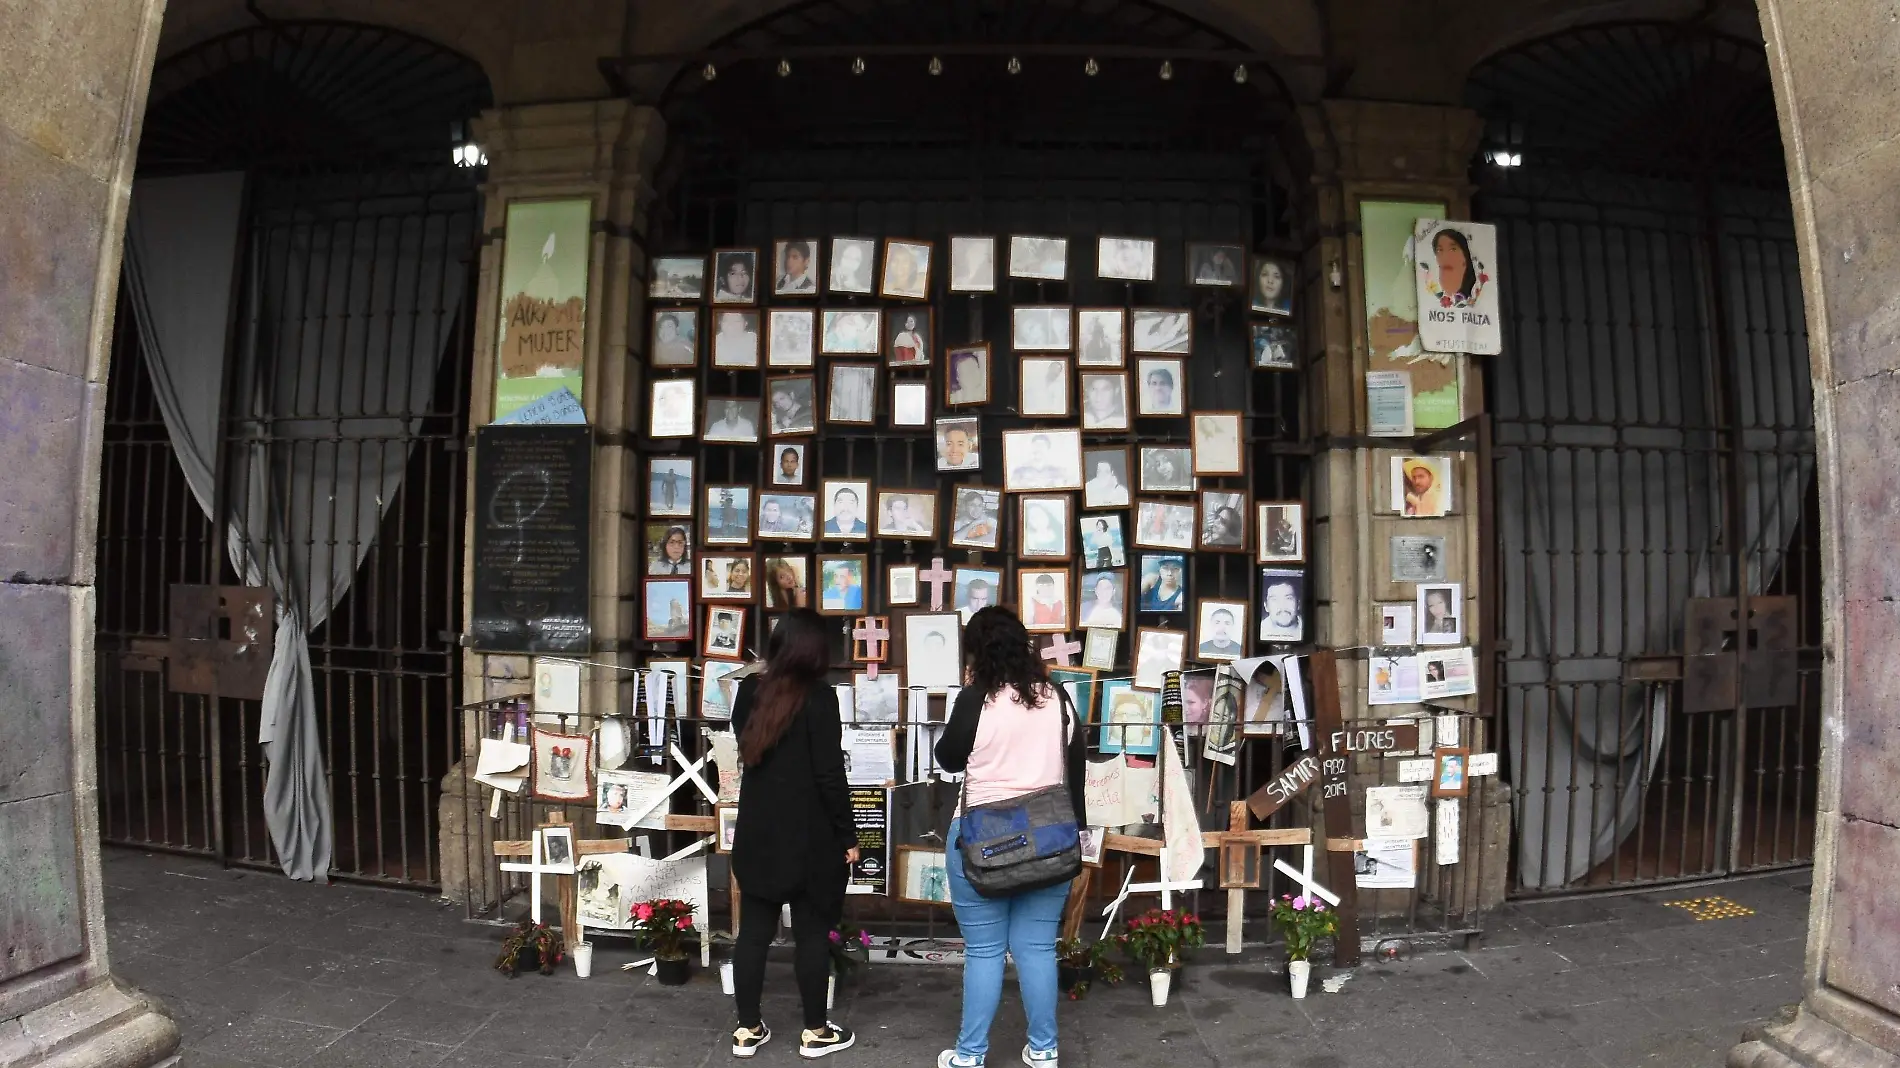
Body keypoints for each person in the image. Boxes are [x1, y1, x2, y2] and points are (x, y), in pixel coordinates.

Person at [933, 607, 1087, 1068]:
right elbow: (1073, 776)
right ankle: (1043, 1050)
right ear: (1025, 646)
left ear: (976, 653)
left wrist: (967, 689)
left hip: (982, 841)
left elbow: (948, 758)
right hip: (1049, 838)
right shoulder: (1058, 698)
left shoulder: (975, 698)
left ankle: (970, 1055)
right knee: (1036, 947)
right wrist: (1075, 835)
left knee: (984, 951)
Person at [728, 610, 858, 1058]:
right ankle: (815, 1031)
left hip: (757, 834)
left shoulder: (748, 692)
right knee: (810, 933)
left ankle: (747, 1030)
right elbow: (829, 776)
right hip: (809, 839)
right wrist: (848, 835)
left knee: (753, 934)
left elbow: (746, 748)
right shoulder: (821, 699)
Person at [1433, 228, 1478, 304]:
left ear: (1465, 255)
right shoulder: (1434, 287)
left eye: (1453, 249)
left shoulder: (1474, 290)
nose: (1445, 256)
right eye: (1440, 250)